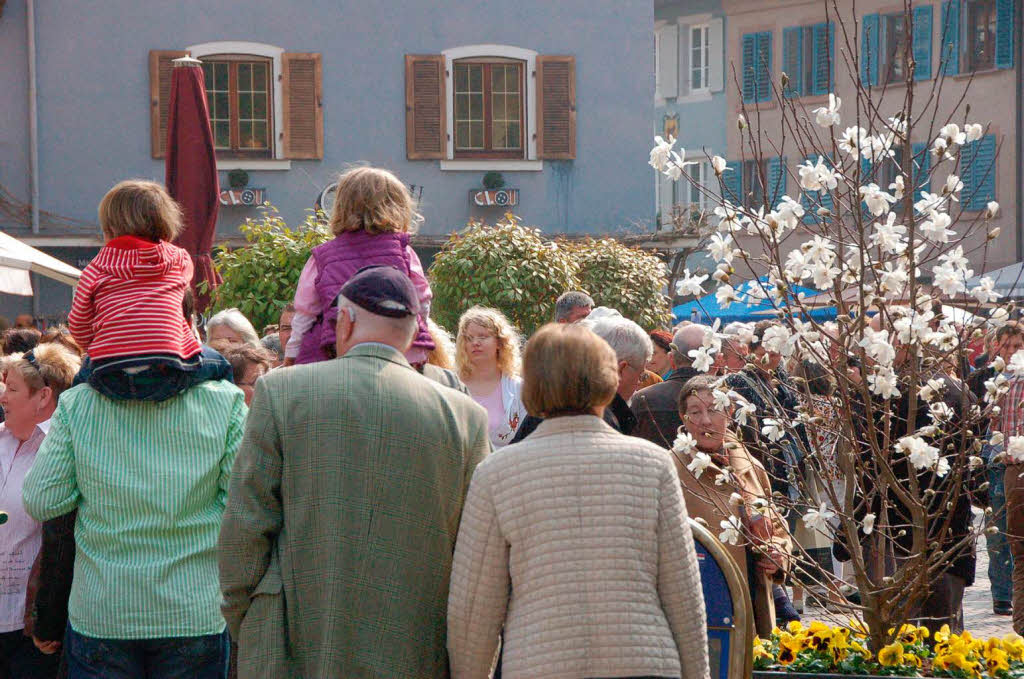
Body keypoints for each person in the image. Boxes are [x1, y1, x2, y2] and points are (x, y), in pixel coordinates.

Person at [219, 266, 490, 678]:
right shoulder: (465, 417)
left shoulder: (282, 391)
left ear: (344, 321)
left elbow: (246, 523)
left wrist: (248, 620)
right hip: (416, 648)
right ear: (415, 330)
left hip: (293, 644)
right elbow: (476, 555)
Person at [447, 323, 710, 679]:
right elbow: (684, 594)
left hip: (540, 661)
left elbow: (475, 608)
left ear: (532, 386)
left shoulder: (497, 473)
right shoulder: (653, 465)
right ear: (608, 380)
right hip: (644, 660)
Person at [22, 336, 247, 677]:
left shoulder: (78, 405)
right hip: (192, 610)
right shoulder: (226, 401)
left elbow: (42, 500)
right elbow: (244, 507)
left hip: (104, 612)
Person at [66, 180, 222, 403]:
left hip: (110, 375)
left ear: (109, 228)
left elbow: (79, 326)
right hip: (171, 370)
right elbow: (181, 300)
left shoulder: (96, 267)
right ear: (165, 221)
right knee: (223, 367)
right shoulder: (179, 259)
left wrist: (104, 344)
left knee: (74, 392)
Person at [672, 375, 792, 636]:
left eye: (714, 409)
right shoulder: (671, 469)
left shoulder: (749, 464)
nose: (705, 420)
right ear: (684, 418)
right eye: (695, 412)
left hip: (755, 604)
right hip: (704, 611)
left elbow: (778, 529)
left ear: (728, 412)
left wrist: (779, 555)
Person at [285, 167, 433, 366]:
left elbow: (305, 313)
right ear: (398, 207)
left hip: (337, 353)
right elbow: (422, 299)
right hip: (398, 353)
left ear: (341, 207)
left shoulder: (323, 256)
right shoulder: (403, 251)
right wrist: (416, 336)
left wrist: (291, 354)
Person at [0, 343, 80, 678]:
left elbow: (66, 547)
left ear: (43, 397)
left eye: (13, 389)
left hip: (32, 632)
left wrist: (50, 620)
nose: (3, 397)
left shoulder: (63, 455)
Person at [510, 311, 651, 442]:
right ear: (621, 369)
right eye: (642, 376)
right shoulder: (608, 419)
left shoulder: (549, 407)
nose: (639, 383)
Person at [968, 322, 1022, 616]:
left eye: (1017, 346)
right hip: (994, 464)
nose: (1012, 352)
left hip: (1016, 464)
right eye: (1007, 346)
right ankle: (1002, 594)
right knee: (997, 533)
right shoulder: (981, 379)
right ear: (994, 346)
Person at [455, 306, 525, 447]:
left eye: (483, 336)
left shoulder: (519, 388)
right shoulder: (452, 383)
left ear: (500, 342)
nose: (475, 343)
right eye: (469, 338)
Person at [631, 323, 709, 448]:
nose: (649, 360)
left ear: (671, 359)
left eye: (654, 353)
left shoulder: (641, 399)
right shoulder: (730, 402)